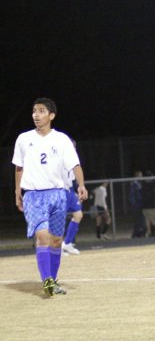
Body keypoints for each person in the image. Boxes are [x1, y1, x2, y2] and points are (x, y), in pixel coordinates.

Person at [12, 98, 87, 297]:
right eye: (34, 111)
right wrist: (17, 191)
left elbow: (75, 165)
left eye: (41, 111)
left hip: (58, 195)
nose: (36, 114)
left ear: (51, 115)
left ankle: (52, 281)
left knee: (55, 240)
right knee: (43, 237)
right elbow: (19, 167)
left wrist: (81, 184)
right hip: (34, 195)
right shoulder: (23, 139)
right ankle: (47, 281)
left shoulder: (62, 139)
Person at [61, 162, 84, 255]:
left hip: (69, 190)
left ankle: (67, 243)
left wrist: (78, 190)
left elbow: (74, 178)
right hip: (59, 190)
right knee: (59, 219)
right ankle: (56, 247)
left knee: (78, 215)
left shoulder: (72, 159)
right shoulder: (57, 155)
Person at [129, 170, 145, 238]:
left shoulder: (139, 183)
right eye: (140, 175)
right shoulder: (134, 184)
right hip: (136, 203)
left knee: (141, 218)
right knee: (137, 219)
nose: (141, 177)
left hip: (140, 202)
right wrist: (134, 203)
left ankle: (140, 232)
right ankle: (136, 233)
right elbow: (132, 194)